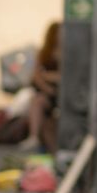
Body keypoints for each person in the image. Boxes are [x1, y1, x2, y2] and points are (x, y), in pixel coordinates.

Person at [19, 21, 61, 153]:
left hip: (64, 93)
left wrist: (48, 76)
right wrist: (47, 88)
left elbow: (65, 76)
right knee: (37, 102)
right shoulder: (44, 52)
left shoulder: (69, 51)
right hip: (49, 92)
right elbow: (36, 75)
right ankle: (33, 137)